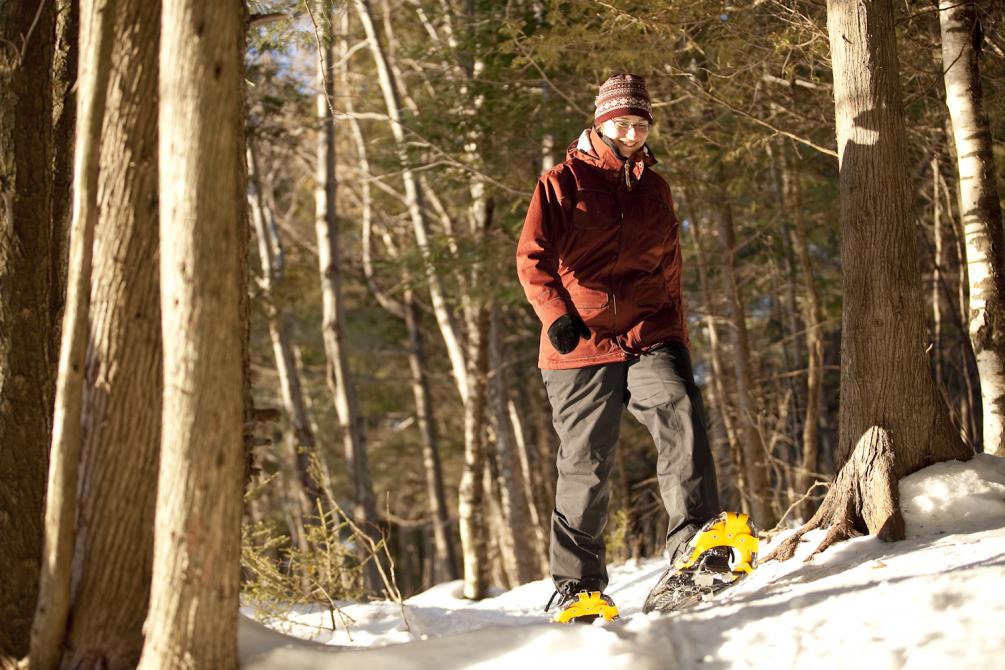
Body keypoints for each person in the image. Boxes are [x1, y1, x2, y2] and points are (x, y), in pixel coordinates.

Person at [516, 73, 747, 622]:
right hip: (580, 344)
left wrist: (679, 339)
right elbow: (532, 259)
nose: (632, 132)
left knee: (681, 411)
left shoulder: (655, 188)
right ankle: (577, 587)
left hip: (648, 332)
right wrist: (556, 319)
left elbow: (670, 269)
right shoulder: (562, 183)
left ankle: (694, 545)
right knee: (586, 463)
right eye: (622, 122)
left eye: (641, 124)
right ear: (600, 124)